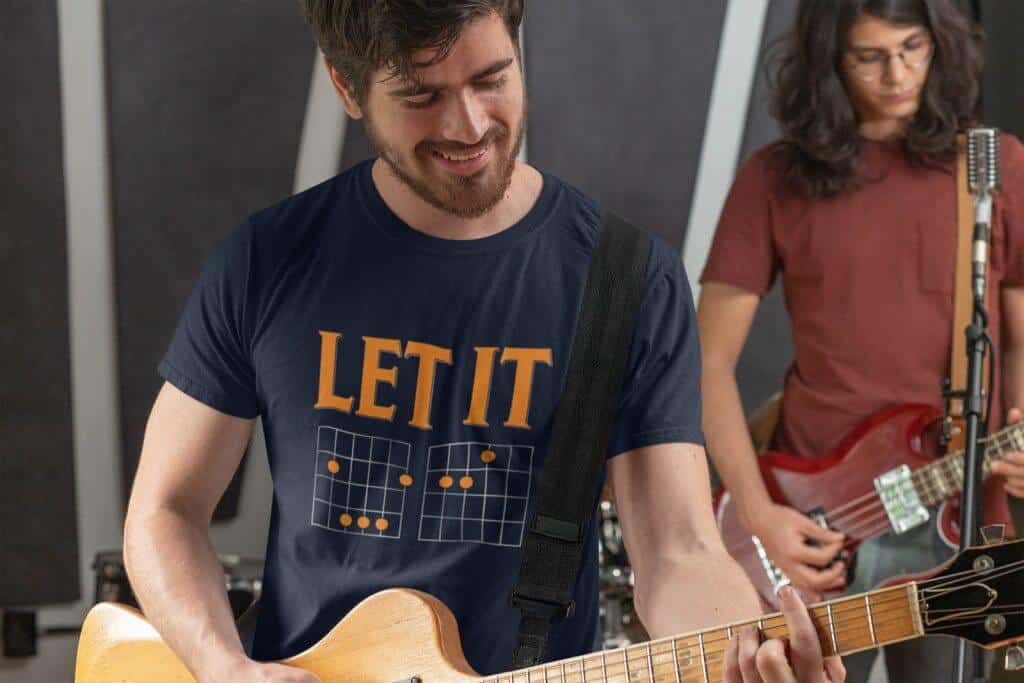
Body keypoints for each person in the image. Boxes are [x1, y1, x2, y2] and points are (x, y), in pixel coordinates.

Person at [121, 2, 841, 681]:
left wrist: (747, 650)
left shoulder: (627, 279)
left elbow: (679, 551)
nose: (468, 126)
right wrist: (221, 663)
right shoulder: (269, 259)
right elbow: (164, 509)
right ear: (346, 85)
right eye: (421, 96)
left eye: (491, 79)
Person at [698, 0, 1024, 681]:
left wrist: (1018, 434)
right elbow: (706, 362)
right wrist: (760, 515)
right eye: (870, 56)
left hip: (955, 519)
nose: (899, 74)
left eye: (913, 49)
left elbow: (1018, 341)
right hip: (817, 524)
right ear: (829, 61)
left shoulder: (992, 172)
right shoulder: (774, 177)